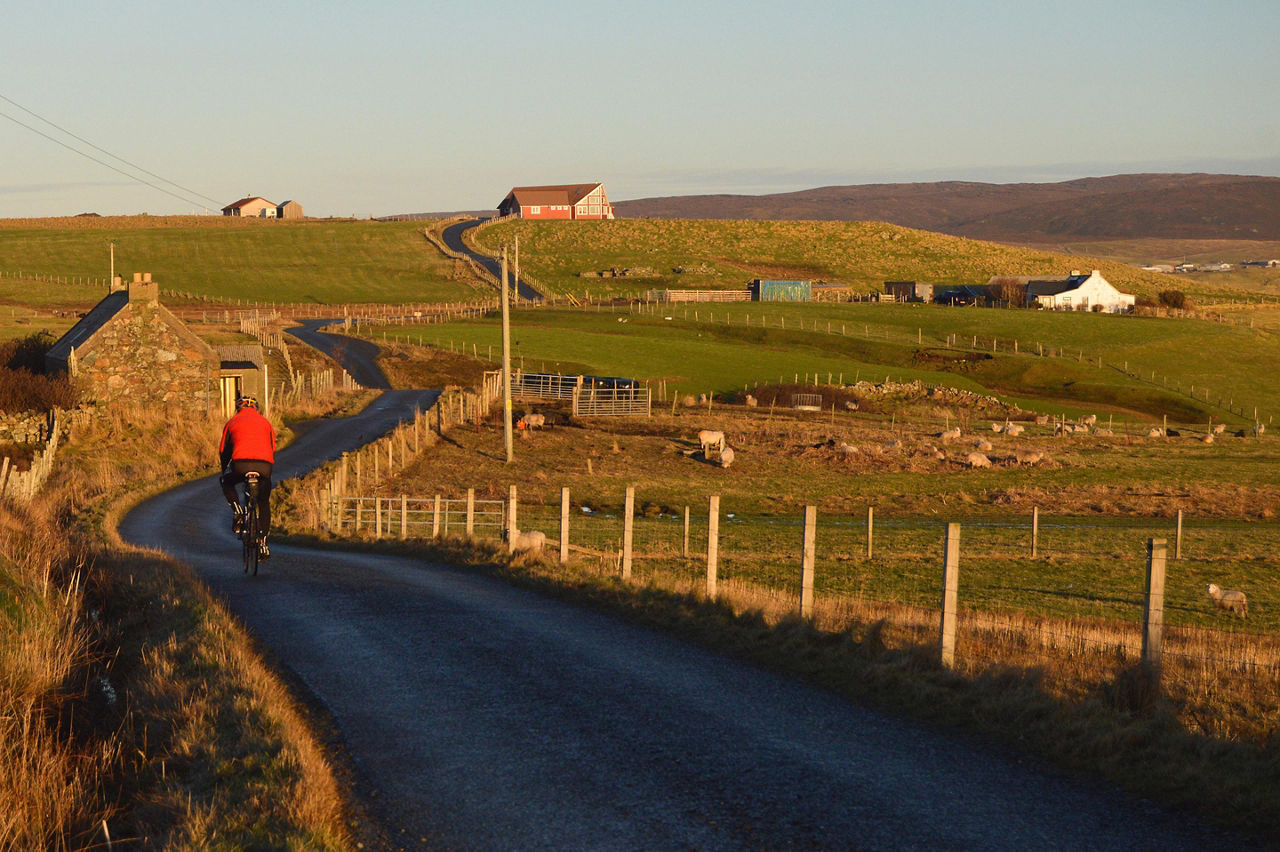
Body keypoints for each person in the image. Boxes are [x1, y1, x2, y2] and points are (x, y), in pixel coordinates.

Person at [219, 394, 277, 559]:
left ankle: (238, 512)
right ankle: (263, 543)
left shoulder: (232, 422)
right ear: (256, 408)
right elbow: (272, 447)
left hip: (241, 464)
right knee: (264, 503)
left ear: (238, 408)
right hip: (264, 467)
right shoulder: (266, 423)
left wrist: (225, 469)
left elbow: (224, 450)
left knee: (226, 482)